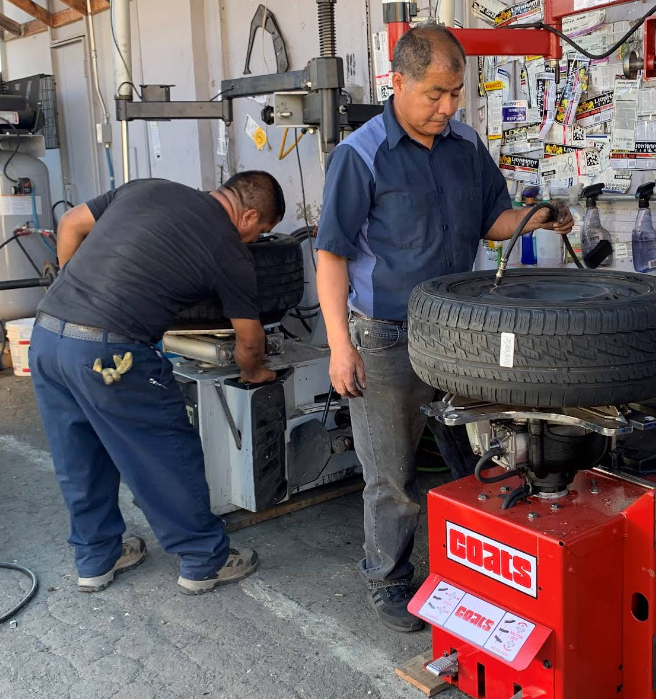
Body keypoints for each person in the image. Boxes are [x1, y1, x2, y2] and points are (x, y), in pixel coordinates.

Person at [314, 24, 574, 632]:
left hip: (461, 332)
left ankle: (477, 571)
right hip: (386, 338)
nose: (448, 107)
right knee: (393, 473)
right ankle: (389, 577)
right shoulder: (361, 155)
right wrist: (339, 347)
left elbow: (495, 221)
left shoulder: (465, 145)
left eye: (456, 93)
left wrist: (538, 218)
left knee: (479, 459)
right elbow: (331, 254)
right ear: (398, 82)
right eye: (436, 94)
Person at [29, 172, 284, 596]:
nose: (254, 241)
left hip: (48, 336)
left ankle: (97, 557)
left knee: (79, 453)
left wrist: (75, 294)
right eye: (259, 233)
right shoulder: (229, 250)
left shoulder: (148, 187)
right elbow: (250, 339)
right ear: (249, 215)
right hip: (111, 354)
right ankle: (206, 560)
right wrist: (254, 373)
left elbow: (71, 224)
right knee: (167, 453)